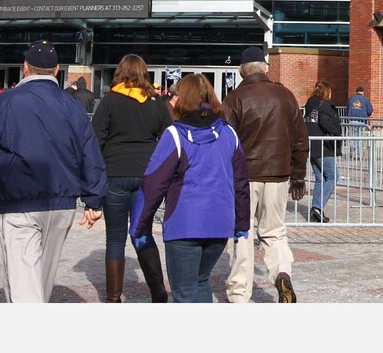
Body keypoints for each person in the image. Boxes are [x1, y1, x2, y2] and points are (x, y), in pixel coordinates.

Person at [0, 40, 107, 303]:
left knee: (24, 289)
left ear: (25, 68)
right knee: (40, 286)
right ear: (57, 70)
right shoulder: (72, 106)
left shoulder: (5, 103)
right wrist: (94, 199)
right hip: (61, 206)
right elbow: (89, 152)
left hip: (19, 203)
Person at [133, 73, 251, 303]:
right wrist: (241, 224)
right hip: (219, 224)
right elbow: (241, 184)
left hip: (184, 224)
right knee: (201, 282)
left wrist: (139, 225)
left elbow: (153, 183)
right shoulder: (229, 134)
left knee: (185, 292)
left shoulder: (174, 135)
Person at [221, 45, 308, 304]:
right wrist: (299, 175)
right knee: (274, 231)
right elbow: (301, 140)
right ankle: (281, 272)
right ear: (264, 68)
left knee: (241, 232)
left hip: (244, 178)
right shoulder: (285, 96)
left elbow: (226, 143)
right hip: (278, 175)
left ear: (241, 72)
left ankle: (239, 292)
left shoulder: (234, 99)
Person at [91, 53, 174, 303]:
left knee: (114, 237)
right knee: (142, 232)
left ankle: (114, 297)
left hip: (114, 173)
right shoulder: (156, 102)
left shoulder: (109, 101)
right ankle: (157, 289)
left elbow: (95, 139)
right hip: (146, 175)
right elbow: (169, 137)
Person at [302, 80, 341, 223]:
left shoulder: (310, 105)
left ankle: (315, 211)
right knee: (333, 177)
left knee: (321, 178)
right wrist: (337, 133)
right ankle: (317, 208)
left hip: (312, 146)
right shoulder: (323, 106)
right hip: (324, 146)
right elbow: (326, 123)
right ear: (326, 92)